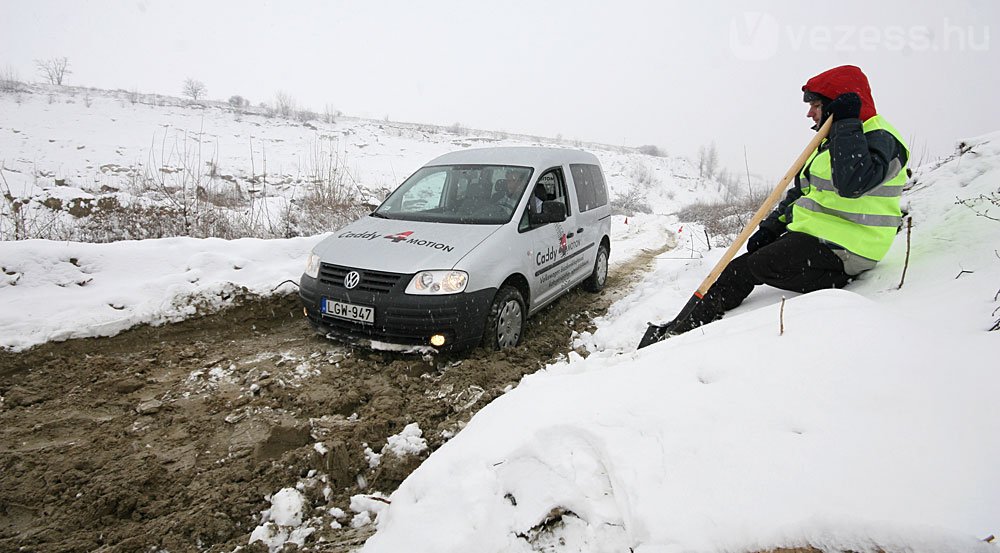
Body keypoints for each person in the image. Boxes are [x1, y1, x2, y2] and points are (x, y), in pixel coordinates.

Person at [668, 65, 909, 335]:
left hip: (849, 249)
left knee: (752, 267)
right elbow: (802, 193)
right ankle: (685, 321)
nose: (809, 113)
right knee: (744, 265)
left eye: (816, 105)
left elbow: (852, 184)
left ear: (836, 106)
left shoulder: (880, 139)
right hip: (817, 238)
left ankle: (688, 330)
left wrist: (847, 123)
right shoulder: (830, 142)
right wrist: (772, 226)